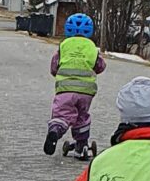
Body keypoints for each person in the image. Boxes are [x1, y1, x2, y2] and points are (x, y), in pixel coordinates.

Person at [43, 11, 105, 159]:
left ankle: (56, 131)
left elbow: (54, 65)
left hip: (65, 89)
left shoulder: (64, 45)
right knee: (82, 116)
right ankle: (81, 145)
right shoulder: (92, 47)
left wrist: (57, 73)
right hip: (86, 91)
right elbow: (100, 66)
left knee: (62, 114)